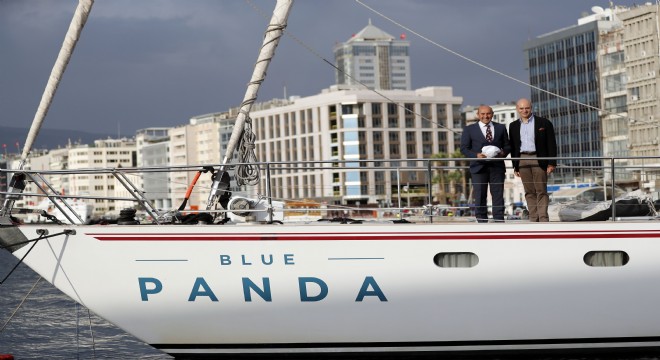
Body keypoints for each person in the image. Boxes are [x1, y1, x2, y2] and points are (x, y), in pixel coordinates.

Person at [509, 98, 557, 222]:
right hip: (522, 159)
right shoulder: (513, 126)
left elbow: (551, 143)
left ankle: (543, 218)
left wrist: (551, 163)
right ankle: (533, 217)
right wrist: (515, 166)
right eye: (521, 108)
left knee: (541, 189)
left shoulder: (544, 123)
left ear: (531, 108)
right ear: (517, 109)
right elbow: (513, 146)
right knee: (529, 191)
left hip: (538, 158)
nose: (524, 110)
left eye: (527, 108)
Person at [460, 105, 510, 222]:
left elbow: (507, 145)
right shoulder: (469, 129)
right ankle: (482, 221)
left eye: (488, 114)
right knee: (480, 195)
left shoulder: (501, 128)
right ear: (478, 115)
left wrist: (503, 153)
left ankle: (499, 220)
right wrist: (476, 155)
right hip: (478, 167)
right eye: (482, 114)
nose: (485, 116)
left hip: (497, 167)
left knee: (498, 195)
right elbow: (464, 148)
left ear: (492, 114)